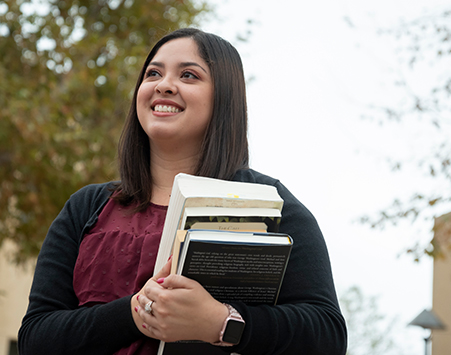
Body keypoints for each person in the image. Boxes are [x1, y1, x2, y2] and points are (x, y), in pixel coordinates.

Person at [18, 28, 347, 355]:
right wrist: (136, 312)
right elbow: (35, 339)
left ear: (224, 98)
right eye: (153, 73)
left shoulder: (269, 203)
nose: (163, 85)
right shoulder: (86, 207)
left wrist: (220, 321)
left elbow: (326, 335)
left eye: (189, 75)